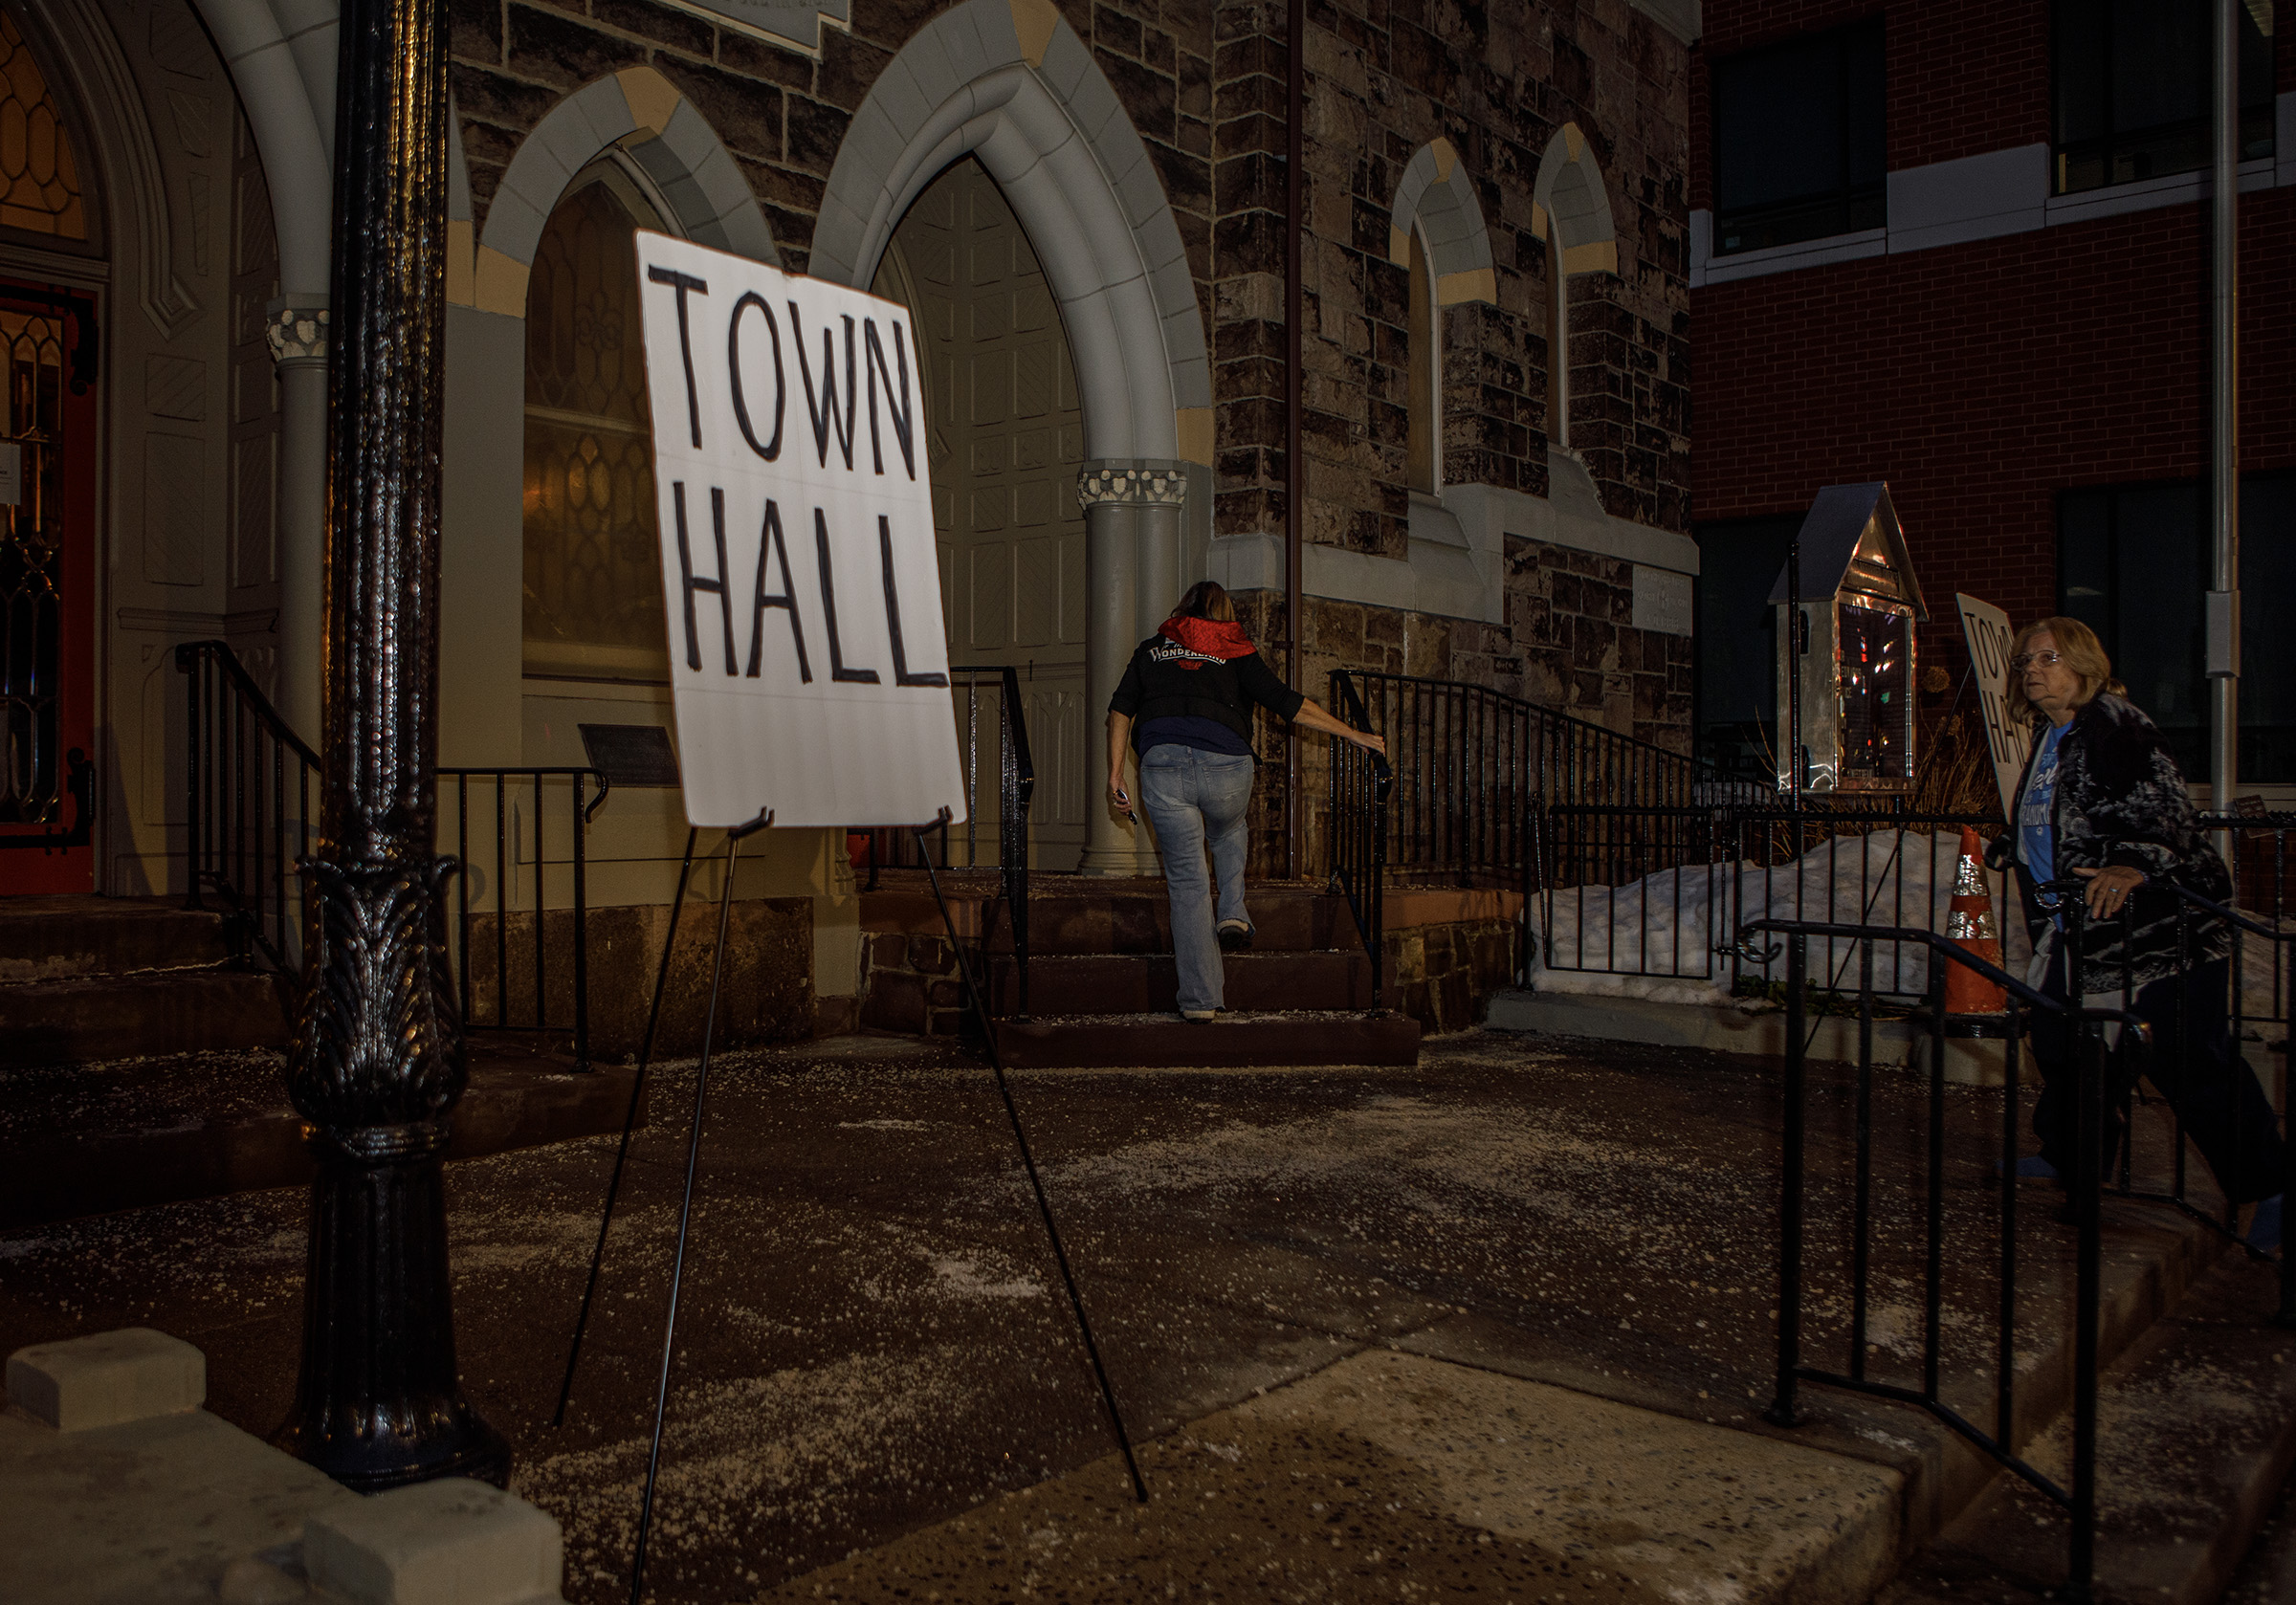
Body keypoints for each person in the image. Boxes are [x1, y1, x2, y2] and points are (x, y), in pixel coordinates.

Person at [1994, 616, 2281, 1252]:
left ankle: (2274, 1186)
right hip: (2084, 925)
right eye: (2023, 662)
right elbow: (2065, 817)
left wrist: (2134, 860)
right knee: (2062, 1040)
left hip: (2160, 931)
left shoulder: (2115, 723)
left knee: (2189, 1058)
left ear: (2083, 664)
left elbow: (2163, 808)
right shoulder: (2053, 736)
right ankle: (2073, 1158)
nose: (2032, 670)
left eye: (2047, 658)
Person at [1105, 581, 1387, 1022]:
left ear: (1180, 611)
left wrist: (1116, 774)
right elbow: (1287, 703)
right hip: (1226, 766)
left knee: (1188, 883)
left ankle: (1200, 1002)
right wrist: (1356, 735)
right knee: (1229, 827)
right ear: (1224, 613)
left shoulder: (1150, 649)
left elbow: (1120, 709)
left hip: (1163, 767)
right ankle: (1233, 910)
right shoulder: (1234, 648)